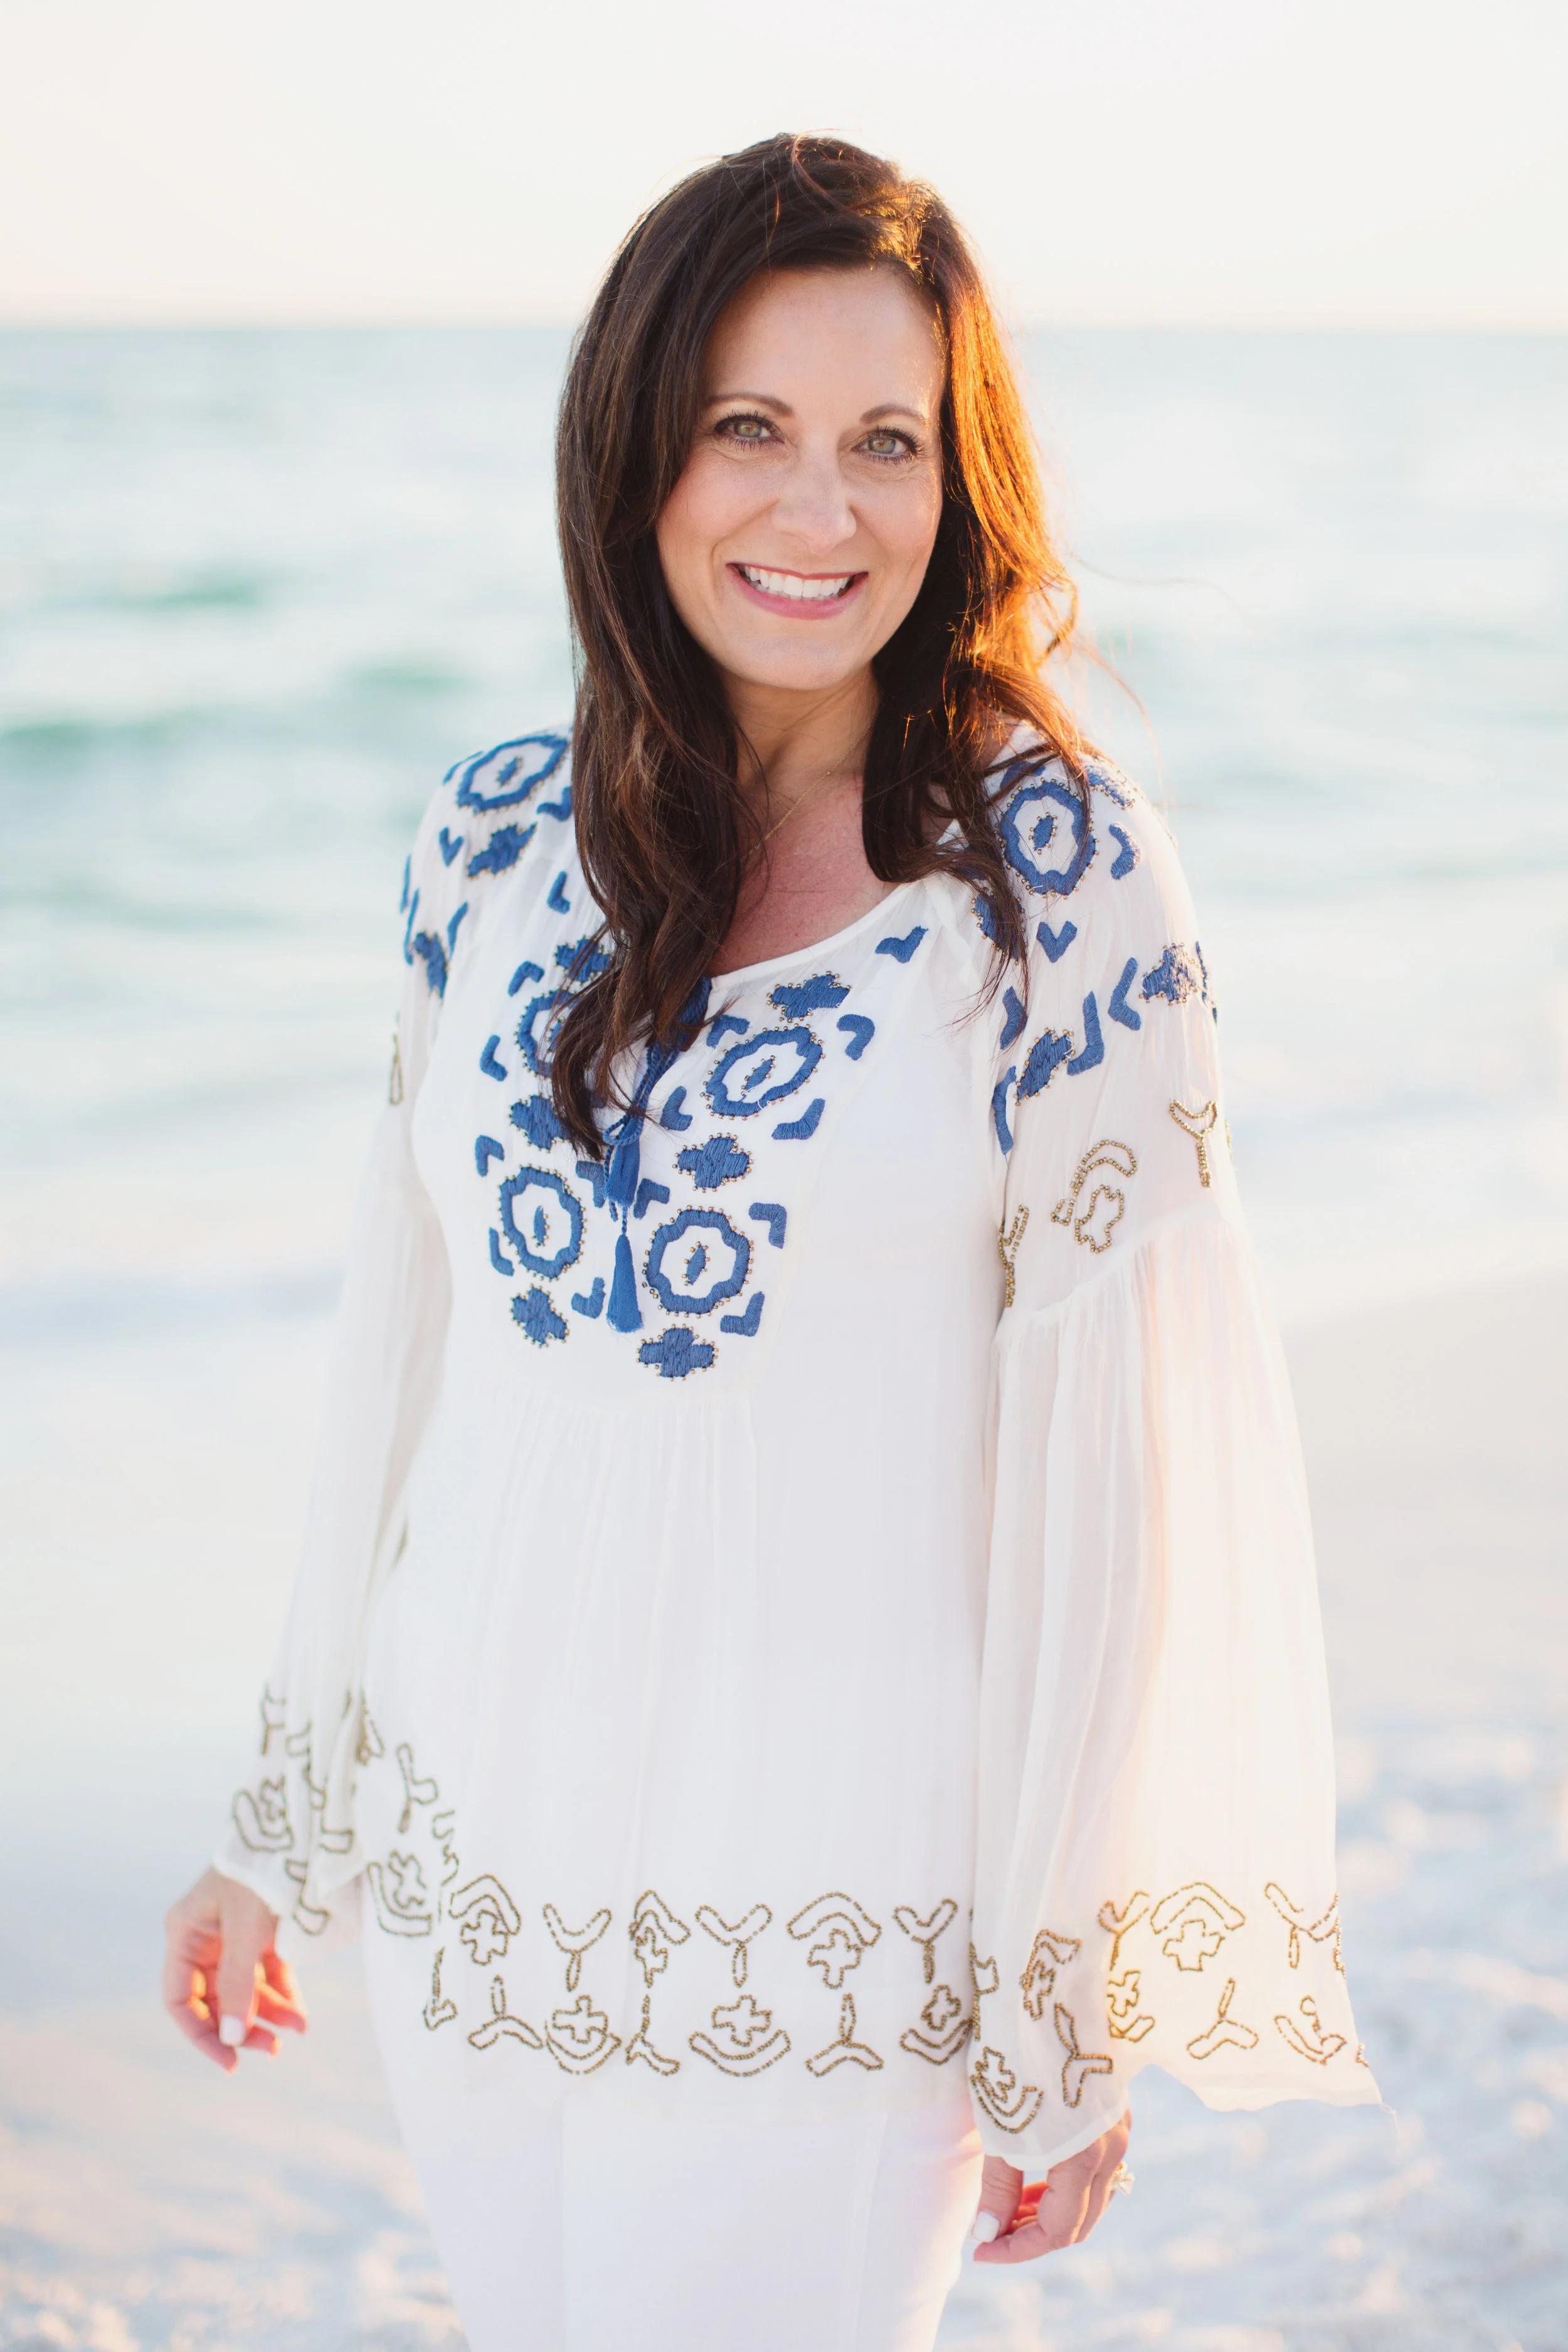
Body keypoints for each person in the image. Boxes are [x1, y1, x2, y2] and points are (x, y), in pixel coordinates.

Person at [163, 134, 1377, 2352]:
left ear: (957, 478)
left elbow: (1115, 1477)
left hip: (832, 1921)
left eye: (886, 442)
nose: (820, 510)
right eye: (750, 427)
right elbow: (399, 1348)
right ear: (633, 447)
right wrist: (284, 1814)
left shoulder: (1055, 876)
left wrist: (1058, 1982)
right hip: (474, 1874)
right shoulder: (485, 838)